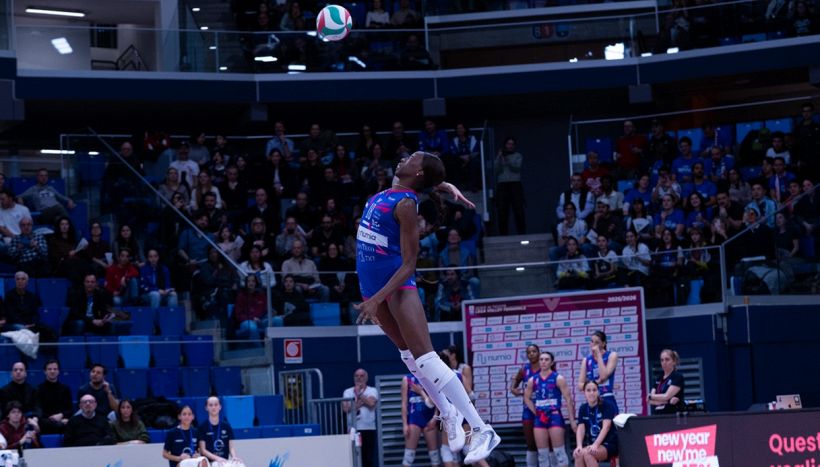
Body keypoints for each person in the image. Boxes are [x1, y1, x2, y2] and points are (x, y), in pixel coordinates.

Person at [353, 151, 500, 463]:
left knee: (427, 358)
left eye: (413, 159)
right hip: (372, 287)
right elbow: (422, 181)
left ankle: (482, 428)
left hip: (395, 286)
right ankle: (447, 412)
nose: (404, 158)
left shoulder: (406, 205)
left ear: (417, 173)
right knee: (408, 357)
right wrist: (442, 184)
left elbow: (409, 264)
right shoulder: (389, 192)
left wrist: (378, 298)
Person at [523, 351, 576, 467]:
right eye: (541, 359)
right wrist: (536, 412)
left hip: (554, 416)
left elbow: (568, 399)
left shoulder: (558, 378)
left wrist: (572, 420)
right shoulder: (533, 380)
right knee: (542, 455)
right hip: (540, 418)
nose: (543, 362)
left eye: (546, 359)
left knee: (559, 453)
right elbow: (526, 398)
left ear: (552, 362)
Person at [574, 381, 618, 467]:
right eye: (588, 390)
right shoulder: (583, 408)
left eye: (594, 390)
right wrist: (579, 446)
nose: (591, 393)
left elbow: (606, 427)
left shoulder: (606, 405)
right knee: (578, 454)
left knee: (588, 453)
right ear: (584, 393)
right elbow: (581, 428)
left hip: (609, 443)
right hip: (592, 444)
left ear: (598, 392)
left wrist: (596, 445)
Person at [510, 344, 541, 467]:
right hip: (528, 409)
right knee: (531, 444)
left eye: (534, 351)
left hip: (544, 409)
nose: (531, 354)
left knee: (547, 444)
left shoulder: (545, 367)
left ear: (539, 352)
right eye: (529, 352)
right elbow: (514, 387)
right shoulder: (524, 369)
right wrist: (514, 390)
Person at [401, 372, 441, 467]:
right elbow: (404, 404)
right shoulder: (407, 379)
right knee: (408, 456)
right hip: (414, 420)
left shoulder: (431, 377)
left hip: (429, 419)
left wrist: (435, 418)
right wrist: (404, 424)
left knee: (434, 456)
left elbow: (438, 401)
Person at [342, 369, 379, 467]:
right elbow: (345, 408)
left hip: (368, 429)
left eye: (362, 376)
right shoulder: (348, 392)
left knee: (367, 458)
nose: (359, 378)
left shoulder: (372, 390)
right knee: (353, 456)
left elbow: (371, 403)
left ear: (366, 378)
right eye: (357, 376)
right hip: (353, 429)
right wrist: (362, 401)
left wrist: (359, 394)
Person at [577, 331, 619, 412]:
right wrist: (595, 383)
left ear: (603, 344)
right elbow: (580, 385)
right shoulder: (586, 360)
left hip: (607, 397)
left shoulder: (612, 355)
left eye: (597, 342)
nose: (593, 345)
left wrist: (599, 355)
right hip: (592, 399)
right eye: (592, 341)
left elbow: (603, 377)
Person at [197, 396, 241, 466]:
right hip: (210, 462)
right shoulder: (202, 427)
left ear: (220, 407)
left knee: (240, 465)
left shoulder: (226, 426)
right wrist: (217, 458)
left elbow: (231, 448)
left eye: (216, 404)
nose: (213, 407)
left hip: (224, 461)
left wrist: (234, 457)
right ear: (206, 408)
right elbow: (203, 450)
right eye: (210, 405)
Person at [495, 137, 526, 235]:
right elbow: (496, 169)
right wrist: (499, 157)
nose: (510, 146)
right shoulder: (500, 156)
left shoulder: (518, 155)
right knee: (502, 210)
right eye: (508, 144)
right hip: (502, 185)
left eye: (512, 144)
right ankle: (503, 234)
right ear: (505, 145)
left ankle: (521, 233)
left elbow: (516, 168)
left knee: (518, 209)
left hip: (515, 184)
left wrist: (506, 159)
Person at [36, 359, 72, 434]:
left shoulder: (65, 389)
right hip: (46, 422)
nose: (52, 371)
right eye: (49, 369)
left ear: (58, 371)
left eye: (55, 369)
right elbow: (38, 410)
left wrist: (61, 415)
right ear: (45, 371)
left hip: (62, 420)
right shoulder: (38, 389)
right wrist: (53, 418)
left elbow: (69, 409)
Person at [648, 349, 685, 414]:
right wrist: (666, 401)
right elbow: (649, 400)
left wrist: (652, 396)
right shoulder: (659, 378)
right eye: (662, 360)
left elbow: (666, 396)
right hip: (657, 414)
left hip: (672, 415)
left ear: (674, 361)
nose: (664, 362)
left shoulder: (677, 376)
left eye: (667, 359)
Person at [233, 274, 268, 341]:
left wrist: (270, 313)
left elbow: (265, 310)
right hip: (246, 321)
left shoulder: (261, 296)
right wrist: (252, 318)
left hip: (260, 321)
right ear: (246, 283)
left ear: (256, 283)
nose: (251, 283)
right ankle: (260, 347)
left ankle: (277, 345)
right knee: (252, 327)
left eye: (253, 281)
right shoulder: (241, 296)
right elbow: (238, 315)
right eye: (249, 281)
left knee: (277, 320)